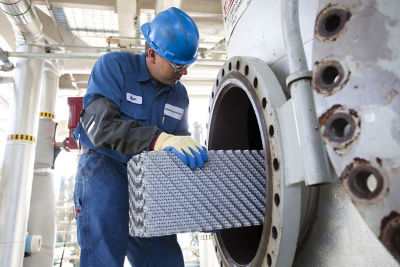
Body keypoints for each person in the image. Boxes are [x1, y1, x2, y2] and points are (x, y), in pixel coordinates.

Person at [73, 7, 208, 267]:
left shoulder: (179, 95)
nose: (185, 73)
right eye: (178, 65)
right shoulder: (114, 68)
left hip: (152, 181)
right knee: (104, 258)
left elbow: (178, 141)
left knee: (164, 260)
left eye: (188, 65)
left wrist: (200, 200)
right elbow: (100, 127)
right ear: (152, 54)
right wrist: (159, 139)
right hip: (105, 173)